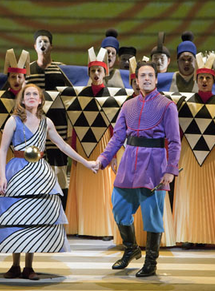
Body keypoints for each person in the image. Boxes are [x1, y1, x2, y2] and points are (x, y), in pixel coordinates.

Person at [0, 84, 97, 280]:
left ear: (41, 100)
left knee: (34, 218)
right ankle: (15, 264)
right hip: (17, 171)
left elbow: (62, 146)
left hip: (39, 173)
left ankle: (29, 266)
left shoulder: (46, 122)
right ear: (22, 100)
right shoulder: (13, 121)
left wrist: (86, 162)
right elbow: (2, 150)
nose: (32, 97)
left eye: (35, 94)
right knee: (17, 217)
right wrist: (2, 176)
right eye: (28, 94)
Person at [96, 61, 181, 277]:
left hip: (154, 166)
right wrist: (104, 159)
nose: (146, 79)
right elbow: (118, 137)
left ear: (156, 78)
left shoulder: (167, 106)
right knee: (119, 208)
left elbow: (173, 141)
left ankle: (151, 262)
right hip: (129, 163)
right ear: (136, 80)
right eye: (142, 75)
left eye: (150, 75)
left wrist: (171, 169)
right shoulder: (127, 106)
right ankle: (131, 249)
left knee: (153, 215)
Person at [173, 53, 215, 249]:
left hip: (214, 155)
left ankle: (210, 234)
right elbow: (179, 132)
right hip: (188, 155)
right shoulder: (185, 104)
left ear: (213, 80)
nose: (205, 81)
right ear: (196, 80)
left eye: (208, 78)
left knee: (211, 194)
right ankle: (189, 234)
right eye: (201, 78)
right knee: (190, 193)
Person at [63, 47, 117, 238]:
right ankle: (83, 226)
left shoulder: (112, 97)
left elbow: (114, 128)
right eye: (93, 71)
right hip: (83, 148)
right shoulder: (81, 96)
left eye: (99, 71)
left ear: (105, 73)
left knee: (104, 186)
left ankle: (104, 228)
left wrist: (115, 154)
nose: (96, 74)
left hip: (104, 145)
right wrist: (74, 152)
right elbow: (76, 127)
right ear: (89, 72)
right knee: (84, 187)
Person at [27, 29, 72, 208]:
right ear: (34, 46)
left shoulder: (62, 69)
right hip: (34, 129)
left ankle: (60, 209)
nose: (43, 45)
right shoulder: (28, 70)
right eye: (39, 42)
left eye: (46, 42)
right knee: (35, 167)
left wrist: (69, 130)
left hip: (59, 126)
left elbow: (71, 100)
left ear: (51, 46)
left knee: (59, 168)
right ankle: (38, 210)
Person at [0, 49, 29, 195]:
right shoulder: (0, 99)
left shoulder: (29, 98)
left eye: (20, 77)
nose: (16, 80)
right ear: (8, 79)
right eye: (13, 77)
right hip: (4, 146)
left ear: (24, 78)